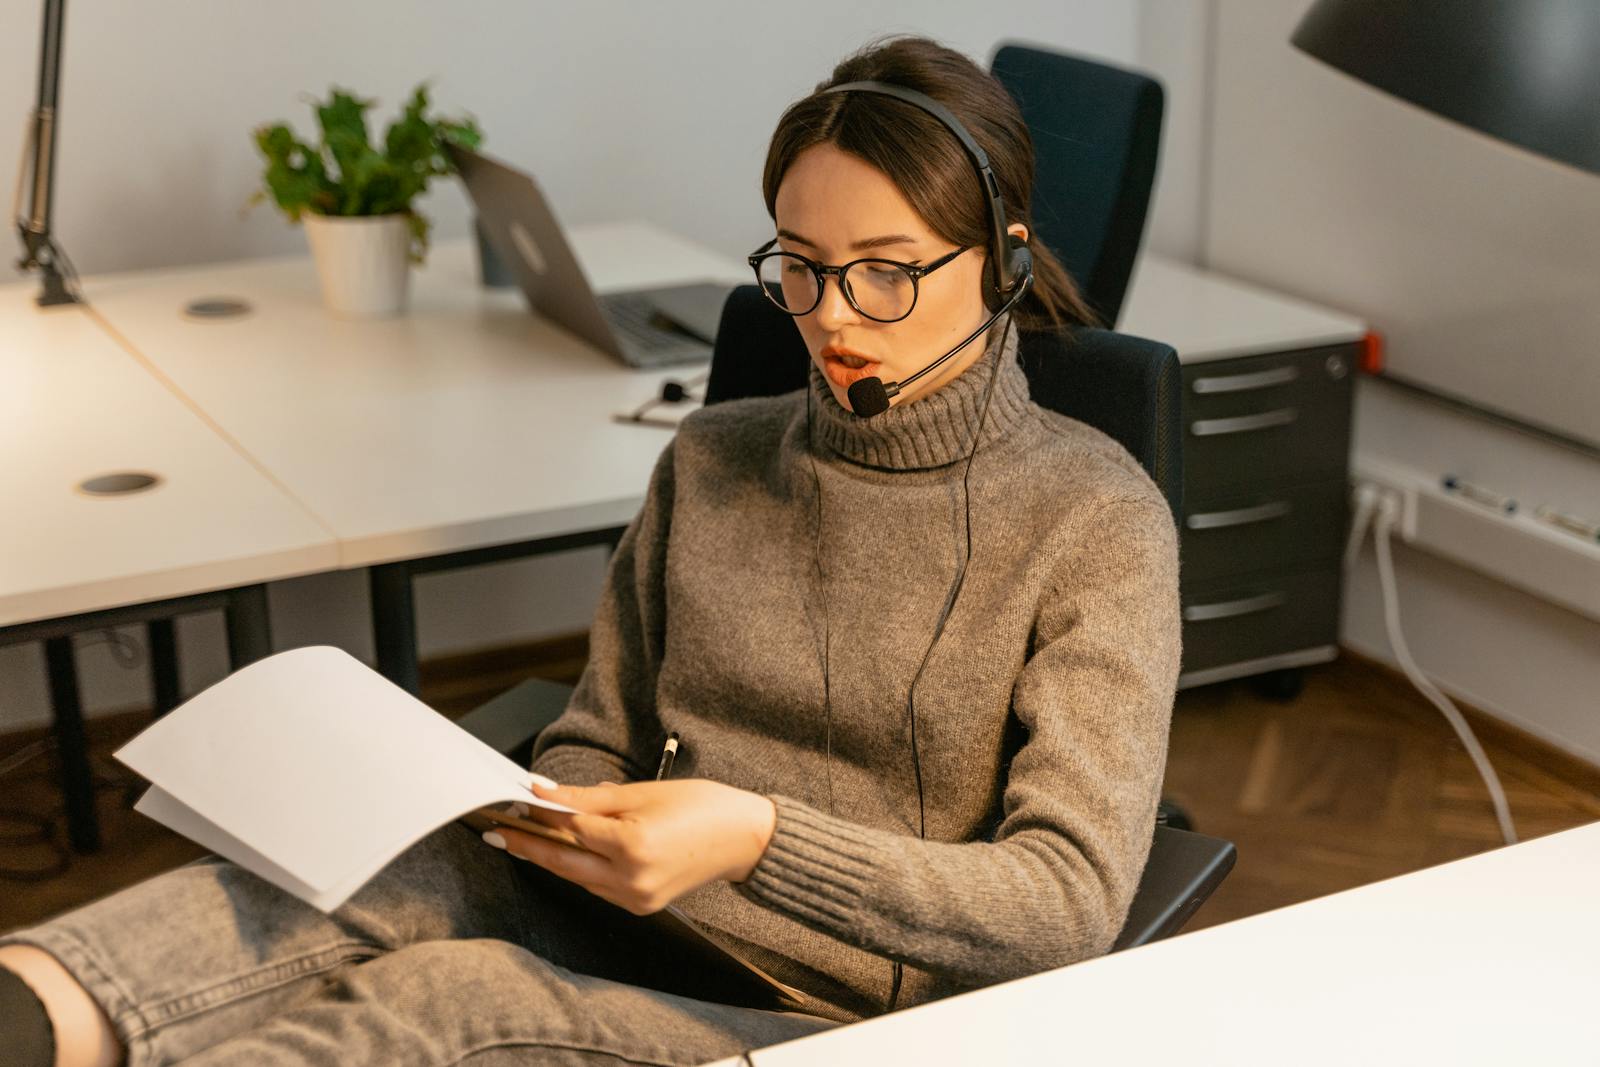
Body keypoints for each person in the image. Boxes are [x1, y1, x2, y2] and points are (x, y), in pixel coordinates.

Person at [0, 33, 1180, 1067]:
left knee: (445, 998)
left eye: (884, 271)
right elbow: (595, 731)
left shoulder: (1092, 517)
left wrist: (754, 838)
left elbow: (1066, 896)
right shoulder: (712, 456)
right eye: (801, 264)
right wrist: (562, 810)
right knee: (315, 889)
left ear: (1001, 261)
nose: (829, 315)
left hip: (843, 1009)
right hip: (627, 915)